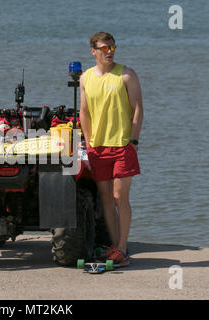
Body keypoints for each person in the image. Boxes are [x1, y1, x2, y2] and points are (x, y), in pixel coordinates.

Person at [79, 32, 144, 267]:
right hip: (97, 147)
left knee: (119, 197)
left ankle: (123, 249)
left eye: (112, 47)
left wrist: (133, 141)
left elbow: (138, 109)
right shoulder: (85, 77)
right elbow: (84, 112)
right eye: (104, 48)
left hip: (123, 145)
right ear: (93, 51)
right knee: (105, 198)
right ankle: (116, 246)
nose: (109, 52)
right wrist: (88, 142)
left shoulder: (127, 75)